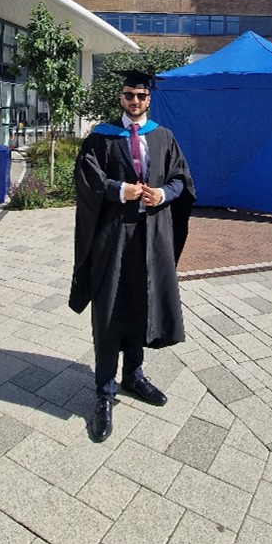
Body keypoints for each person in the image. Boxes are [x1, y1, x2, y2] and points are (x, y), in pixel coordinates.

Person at [69, 70, 196, 443]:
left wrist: (164, 195)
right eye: (129, 95)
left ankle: (134, 375)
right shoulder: (102, 137)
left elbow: (180, 180)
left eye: (141, 95)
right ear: (121, 98)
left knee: (142, 304)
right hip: (113, 237)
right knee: (109, 308)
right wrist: (118, 189)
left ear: (149, 98)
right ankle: (104, 390)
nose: (135, 101)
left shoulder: (163, 137)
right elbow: (87, 179)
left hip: (150, 237)